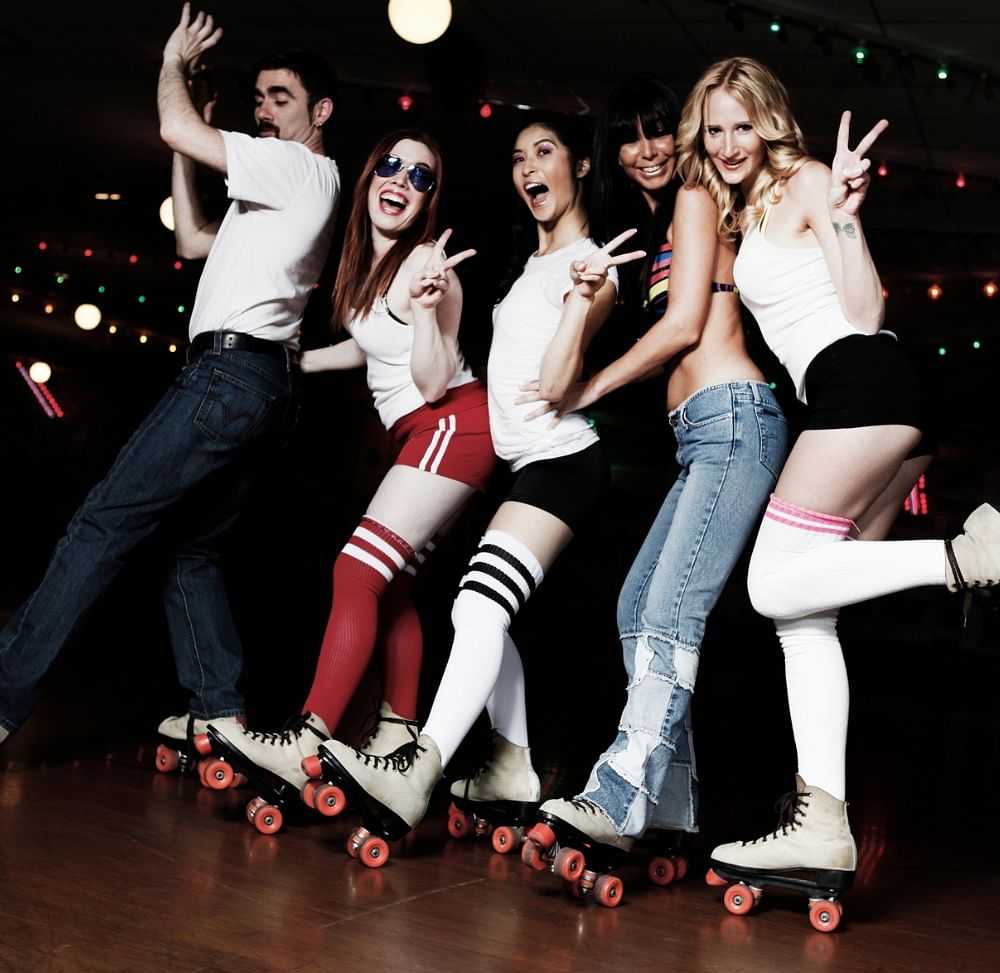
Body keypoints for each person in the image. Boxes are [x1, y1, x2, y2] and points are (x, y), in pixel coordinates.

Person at [675, 57, 999, 924]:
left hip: (861, 381)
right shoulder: (741, 213)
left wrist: (847, 221)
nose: (730, 143)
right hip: (873, 402)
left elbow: (863, 309)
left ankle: (962, 559)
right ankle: (822, 822)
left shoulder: (811, 180)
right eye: (715, 129)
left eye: (744, 124)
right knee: (805, 613)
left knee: (768, 582)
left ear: (771, 122)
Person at [0, 4, 340, 757]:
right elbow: (190, 238)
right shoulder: (278, 194)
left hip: (228, 376)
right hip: (261, 390)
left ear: (321, 111)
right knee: (192, 550)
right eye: (257, 100)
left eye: (280, 98)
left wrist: (171, 66)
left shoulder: (300, 166)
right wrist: (197, 149)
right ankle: (219, 711)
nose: (263, 111)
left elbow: (175, 128)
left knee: (101, 524)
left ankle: (3, 692)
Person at [310, 115, 644, 858]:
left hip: (564, 461)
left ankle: (417, 769)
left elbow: (557, 384)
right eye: (519, 156)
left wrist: (582, 300)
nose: (530, 167)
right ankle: (513, 767)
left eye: (546, 151)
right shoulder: (534, 263)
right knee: (481, 612)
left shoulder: (593, 262)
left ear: (579, 168)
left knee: (475, 605)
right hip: (527, 467)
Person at [518, 75, 787, 869]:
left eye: (660, 130)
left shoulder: (697, 198)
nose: (647, 149)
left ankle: (621, 790)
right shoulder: (666, 222)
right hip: (701, 434)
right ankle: (671, 803)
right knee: (638, 606)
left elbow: (683, 327)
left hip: (735, 418)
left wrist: (588, 390)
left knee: (669, 612)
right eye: (629, 137)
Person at [202, 130, 494, 801]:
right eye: (390, 165)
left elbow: (430, 379)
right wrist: (297, 361)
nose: (400, 180)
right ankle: (395, 733)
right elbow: (371, 350)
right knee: (388, 586)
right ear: (368, 179)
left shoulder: (426, 266)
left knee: (355, 570)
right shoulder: (370, 264)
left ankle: (310, 734)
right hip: (427, 434)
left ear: (427, 201)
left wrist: (425, 311)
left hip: (451, 424)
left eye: (419, 176)